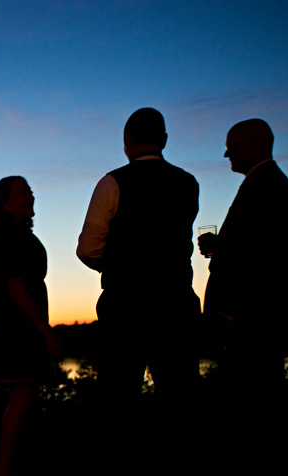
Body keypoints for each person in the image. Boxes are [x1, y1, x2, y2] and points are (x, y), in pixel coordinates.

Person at [77, 108, 201, 403]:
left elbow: (89, 249)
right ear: (165, 139)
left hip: (125, 310)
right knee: (182, 396)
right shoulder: (188, 183)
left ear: (126, 140)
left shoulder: (111, 183)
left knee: (118, 397)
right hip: (177, 307)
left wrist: (120, 266)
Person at [198, 118, 288, 401]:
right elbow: (251, 247)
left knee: (251, 394)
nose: (226, 154)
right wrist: (217, 246)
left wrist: (230, 313)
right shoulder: (264, 184)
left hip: (253, 325)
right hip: (254, 322)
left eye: (231, 146)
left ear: (257, 143)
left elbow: (261, 262)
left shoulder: (266, 186)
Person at [0, 176, 62, 476]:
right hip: (18, 327)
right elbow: (16, 287)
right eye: (22, 192)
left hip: (17, 324)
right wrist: (45, 330)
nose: (30, 195)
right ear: (4, 202)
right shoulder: (9, 236)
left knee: (23, 397)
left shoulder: (13, 234)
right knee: (23, 394)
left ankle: (10, 469)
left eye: (30, 190)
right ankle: (2, 472)